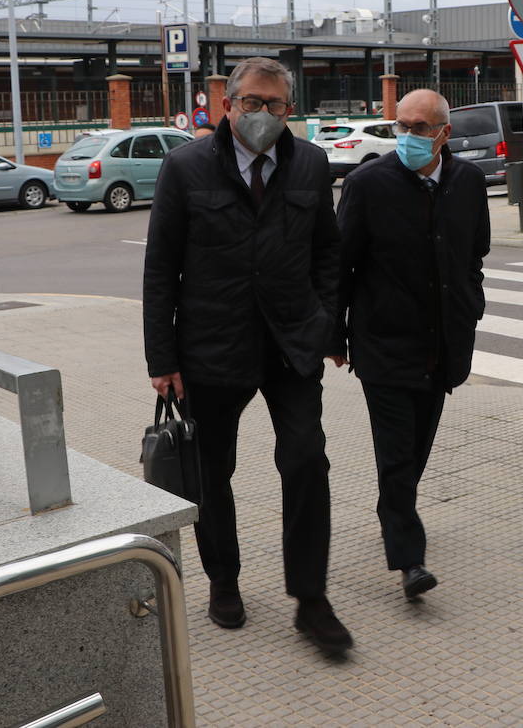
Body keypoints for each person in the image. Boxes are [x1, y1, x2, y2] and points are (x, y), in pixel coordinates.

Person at [143, 57, 353, 655]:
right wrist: (163, 358)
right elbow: (160, 269)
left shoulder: (309, 163)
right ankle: (224, 581)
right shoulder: (185, 166)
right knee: (214, 473)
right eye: (253, 103)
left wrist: (324, 328)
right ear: (227, 106)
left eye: (277, 105)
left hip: (291, 346)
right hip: (211, 347)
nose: (265, 115)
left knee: (308, 461)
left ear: (291, 109)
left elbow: (327, 255)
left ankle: (311, 598)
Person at [328, 88, 490, 600]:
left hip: (442, 346)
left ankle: (397, 510)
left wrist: (471, 305)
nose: (408, 136)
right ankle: (408, 559)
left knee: (416, 449)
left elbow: (474, 254)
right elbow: (339, 267)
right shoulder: (366, 184)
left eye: (420, 128)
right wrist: (333, 334)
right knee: (396, 456)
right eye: (401, 126)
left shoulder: (467, 181)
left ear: (444, 133)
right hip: (383, 345)